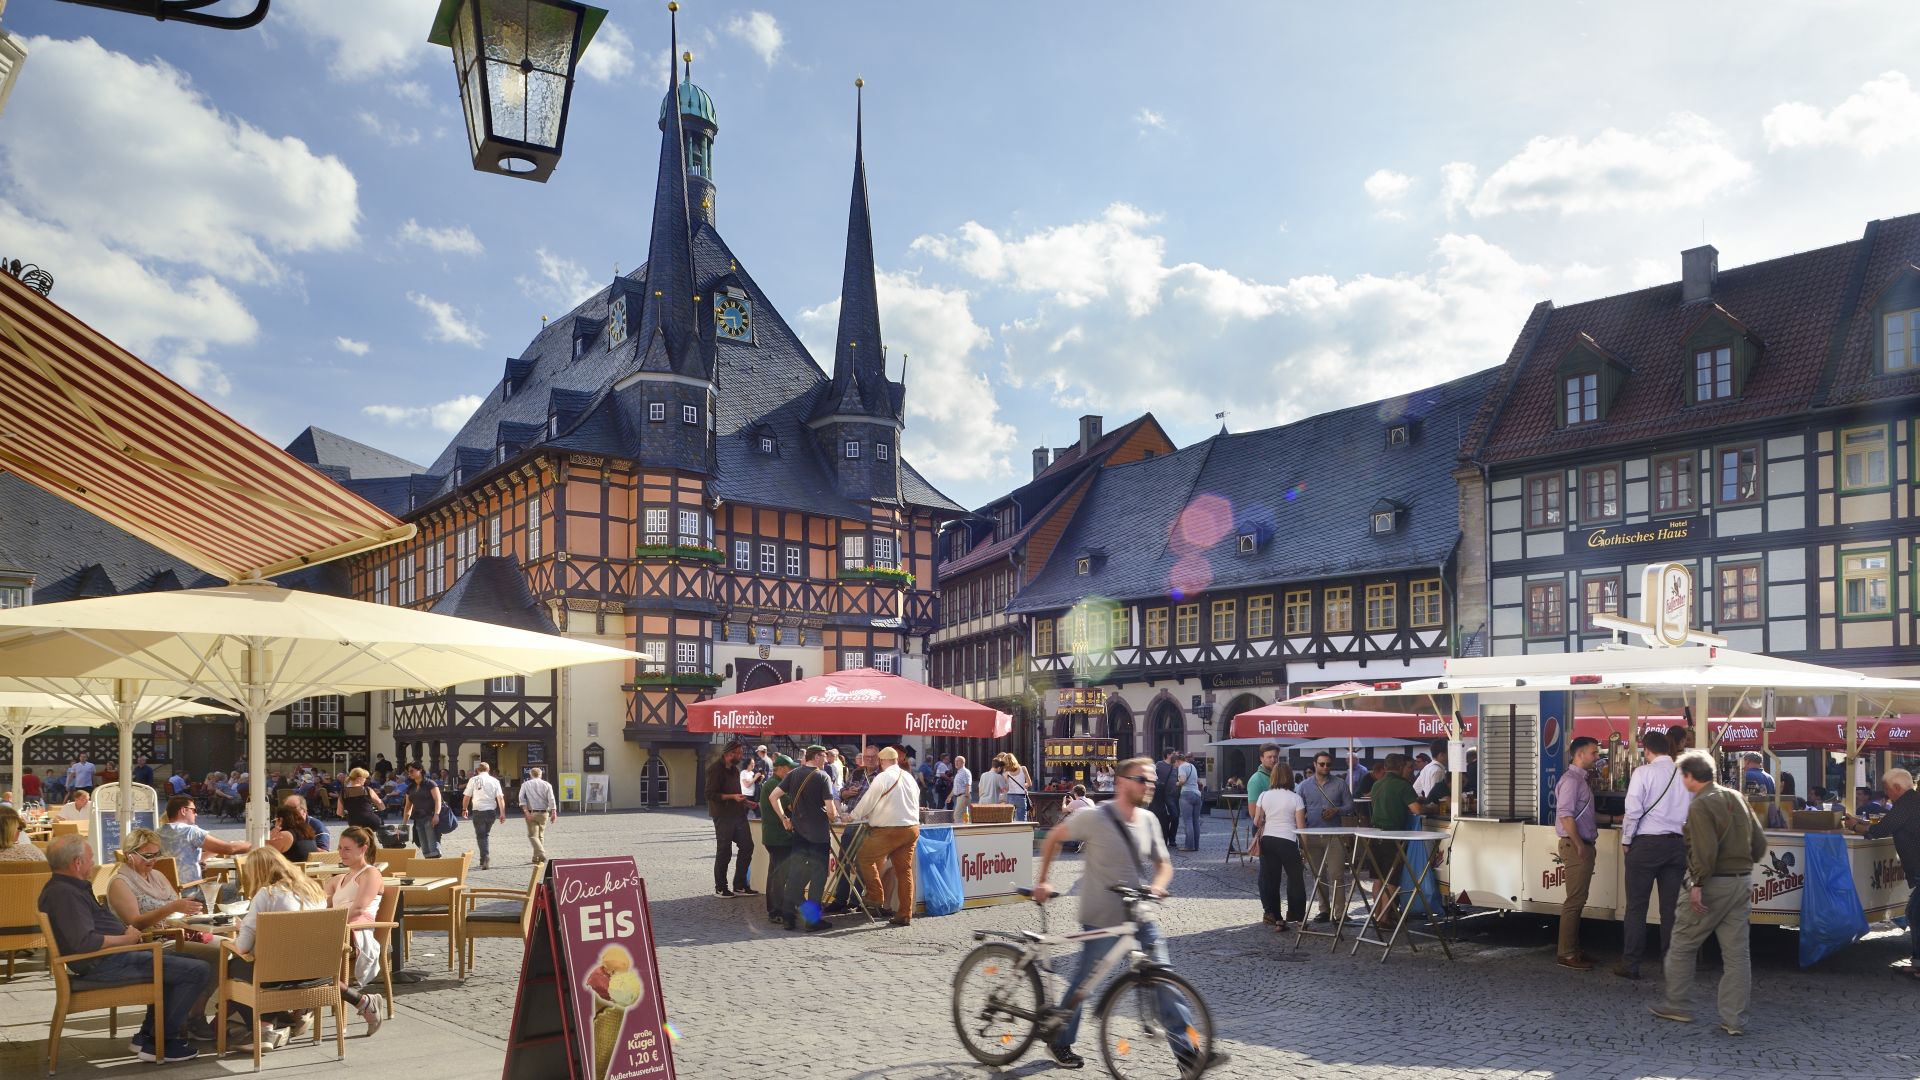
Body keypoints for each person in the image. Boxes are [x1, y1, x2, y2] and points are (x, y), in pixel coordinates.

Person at [1032, 756, 1219, 1075]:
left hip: (1138, 914)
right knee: (1084, 983)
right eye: (1143, 780)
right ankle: (1059, 1037)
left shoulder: (1148, 820)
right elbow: (1053, 838)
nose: (1150, 786)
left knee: (1162, 976)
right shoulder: (1095, 817)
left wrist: (1158, 887)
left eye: (1152, 782)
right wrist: (1044, 880)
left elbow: (1163, 864)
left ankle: (1188, 1053)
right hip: (1101, 913)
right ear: (1121, 782)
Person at [39, 834, 209, 1061]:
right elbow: (86, 942)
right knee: (197, 970)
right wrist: (127, 940)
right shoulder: (64, 893)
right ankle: (163, 1042)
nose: (93, 863)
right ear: (77, 863)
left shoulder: (66, 888)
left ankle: (147, 1037)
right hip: (105, 963)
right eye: (90, 859)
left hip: (109, 959)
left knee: (182, 962)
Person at [1652, 751, 1768, 1036]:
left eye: (1683, 776)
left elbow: (1704, 852)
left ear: (1690, 776)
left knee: (1682, 943)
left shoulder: (1701, 805)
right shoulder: (1737, 797)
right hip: (1740, 882)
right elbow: (1760, 844)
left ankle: (1677, 1003)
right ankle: (1734, 1020)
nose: (1682, 780)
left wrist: (1698, 885)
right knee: (1737, 955)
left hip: (1712, 884)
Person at [106, 828, 221, 1037]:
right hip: (149, 943)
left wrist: (188, 912)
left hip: (175, 934)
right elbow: (135, 923)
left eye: (156, 854)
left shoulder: (156, 875)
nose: (153, 860)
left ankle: (194, 1013)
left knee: (225, 948)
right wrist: (171, 908)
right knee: (218, 953)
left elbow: (175, 907)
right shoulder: (120, 883)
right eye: (147, 856)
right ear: (130, 854)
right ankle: (192, 1017)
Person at [227, 846, 329, 1051]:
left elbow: (243, 947)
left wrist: (238, 931)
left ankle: (264, 1027)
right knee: (259, 965)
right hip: (315, 970)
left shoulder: (267, 894)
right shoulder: (315, 890)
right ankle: (278, 1021)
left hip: (278, 973)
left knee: (230, 967)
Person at [1616, 731, 1691, 979]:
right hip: (1677, 845)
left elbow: (1633, 810)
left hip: (1646, 845)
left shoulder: (1643, 773)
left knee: (1637, 907)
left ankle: (1631, 964)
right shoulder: (1685, 774)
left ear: (1646, 750)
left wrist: (1627, 840)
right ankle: (1671, 968)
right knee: (1671, 910)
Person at [1844, 768, 1918, 980]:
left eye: (1887, 790)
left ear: (1897, 788)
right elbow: (1887, 825)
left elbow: (1878, 831)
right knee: (1914, 912)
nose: (1887, 794)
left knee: (1916, 913)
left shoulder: (1906, 804)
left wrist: (1855, 826)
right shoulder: (1911, 801)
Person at [322, 826, 387, 1034]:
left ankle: (298, 1012)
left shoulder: (371, 873)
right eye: (340, 848)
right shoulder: (340, 878)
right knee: (299, 949)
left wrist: (329, 922)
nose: (341, 853)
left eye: (347, 849)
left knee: (306, 952)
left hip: (357, 932)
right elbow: (319, 902)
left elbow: (359, 908)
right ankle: (362, 1002)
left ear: (363, 848)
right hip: (336, 929)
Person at [769, 745, 838, 932]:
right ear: (816, 757)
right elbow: (831, 812)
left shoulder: (794, 774)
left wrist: (784, 819)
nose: (826, 759)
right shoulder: (822, 776)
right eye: (824, 756)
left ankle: (788, 918)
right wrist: (834, 815)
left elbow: (773, 797)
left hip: (799, 834)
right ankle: (812, 921)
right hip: (818, 836)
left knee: (795, 875)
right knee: (817, 878)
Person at [849, 747, 921, 927]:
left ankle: (875, 895)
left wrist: (852, 816)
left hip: (890, 829)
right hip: (911, 828)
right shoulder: (909, 777)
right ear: (897, 760)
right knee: (903, 871)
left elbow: (868, 800)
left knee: (864, 858)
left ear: (882, 761)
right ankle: (905, 913)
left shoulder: (883, 777)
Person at [1555, 736, 1604, 970]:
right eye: (1593, 753)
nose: (1597, 757)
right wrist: (1579, 845)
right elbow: (1565, 815)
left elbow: (1581, 814)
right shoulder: (1572, 781)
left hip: (1578, 842)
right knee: (1574, 901)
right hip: (1576, 844)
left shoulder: (1579, 780)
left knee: (1578, 899)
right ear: (1579, 754)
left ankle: (1572, 949)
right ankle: (1566, 953)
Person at [1365, 753, 1425, 921]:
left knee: (1378, 878)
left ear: (1385, 767)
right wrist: (1431, 808)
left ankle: (1377, 915)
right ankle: (1384, 918)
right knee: (1392, 879)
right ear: (1399, 767)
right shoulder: (1402, 785)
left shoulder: (1377, 785)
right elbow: (1417, 810)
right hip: (1393, 836)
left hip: (1374, 835)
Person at [1299, 750, 1356, 922]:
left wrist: (1336, 810)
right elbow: (1299, 811)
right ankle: (1324, 910)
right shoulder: (1304, 786)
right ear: (1315, 764)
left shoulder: (1339, 784)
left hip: (1334, 835)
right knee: (1318, 875)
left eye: (1328, 764)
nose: (1325, 767)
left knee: (1337, 874)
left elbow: (1350, 806)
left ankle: (1339, 913)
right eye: (1322, 764)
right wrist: (1301, 839)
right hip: (1312, 834)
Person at [1252, 763, 1308, 930]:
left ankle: (1278, 920)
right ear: (1290, 777)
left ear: (1273, 777)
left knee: (1272, 881)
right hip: (1288, 840)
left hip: (1268, 840)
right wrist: (1304, 848)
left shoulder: (1263, 795)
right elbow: (1300, 827)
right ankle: (1299, 919)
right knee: (1296, 879)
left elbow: (1256, 821)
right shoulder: (1295, 798)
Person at [158, 795, 249, 884]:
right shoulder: (191, 831)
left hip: (164, 889)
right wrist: (253, 844)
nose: (196, 814)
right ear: (183, 810)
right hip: (189, 890)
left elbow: (182, 859)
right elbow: (229, 849)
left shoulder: (157, 833)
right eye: (194, 810)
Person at [705, 741, 756, 898]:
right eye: (739, 753)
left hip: (738, 814)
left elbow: (736, 793)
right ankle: (720, 887)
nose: (741, 756)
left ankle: (739, 885)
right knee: (724, 851)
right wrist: (732, 797)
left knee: (747, 847)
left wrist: (746, 801)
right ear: (729, 754)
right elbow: (710, 794)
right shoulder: (715, 769)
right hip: (722, 815)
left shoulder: (734, 770)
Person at [758, 755, 797, 927]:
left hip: (774, 836)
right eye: (790, 769)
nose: (792, 772)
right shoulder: (776, 785)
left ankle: (775, 909)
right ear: (781, 768)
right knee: (779, 876)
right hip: (779, 837)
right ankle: (776, 910)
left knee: (776, 874)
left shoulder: (772, 783)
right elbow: (792, 807)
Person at [461, 761, 505, 870]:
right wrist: (502, 813)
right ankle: (483, 858)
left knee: (481, 836)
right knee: (485, 834)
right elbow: (500, 798)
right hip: (491, 812)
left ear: (477, 770)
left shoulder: (473, 780)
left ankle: (484, 858)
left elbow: (467, 797)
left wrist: (464, 809)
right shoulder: (495, 781)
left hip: (478, 810)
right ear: (488, 770)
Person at [401, 762, 444, 858]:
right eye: (408, 772)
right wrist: (404, 824)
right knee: (425, 848)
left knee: (433, 846)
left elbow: (438, 800)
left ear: (420, 769)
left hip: (430, 817)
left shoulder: (430, 784)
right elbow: (408, 807)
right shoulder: (411, 787)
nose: (410, 773)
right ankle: (429, 869)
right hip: (418, 819)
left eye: (412, 771)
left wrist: (436, 814)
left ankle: (436, 869)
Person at [519, 766, 558, 863]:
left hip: (532, 812)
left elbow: (521, 798)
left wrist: (526, 811)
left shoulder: (525, 784)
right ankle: (536, 858)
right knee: (540, 835)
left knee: (532, 836)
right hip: (544, 812)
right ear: (540, 774)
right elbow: (551, 798)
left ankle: (541, 853)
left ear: (531, 774)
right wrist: (554, 812)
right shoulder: (547, 784)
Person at [335, 768, 387, 839]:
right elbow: (381, 805)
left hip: (354, 822)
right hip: (371, 821)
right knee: (379, 823)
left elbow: (339, 812)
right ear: (359, 778)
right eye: (365, 778)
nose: (366, 780)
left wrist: (347, 812)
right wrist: (377, 810)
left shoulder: (343, 792)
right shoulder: (367, 790)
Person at [1175, 752, 1204, 851]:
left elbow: (1182, 781)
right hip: (1197, 795)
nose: (1175, 765)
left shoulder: (1182, 767)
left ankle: (1189, 846)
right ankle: (1196, 846)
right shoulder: (1192, 766)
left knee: (1188, 821)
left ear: (1178, 761)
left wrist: (1177, 783)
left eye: (1175, 763)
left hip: (1187, 794)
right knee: (1195, 821)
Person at [1152, 750, 1179, 848]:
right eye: (1173, 754)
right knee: (1164, 817)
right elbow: (1153, 777)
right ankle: (1165, 837)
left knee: (1175, 817)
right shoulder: (1159, 764)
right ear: (1168, 755)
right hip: (1162, 794)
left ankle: (1172, 838)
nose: (1175, 755)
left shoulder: (1175, 766)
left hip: (1173, 796)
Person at [1001, 753, 1033, 821]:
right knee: (1022, 819)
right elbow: (1029, 783)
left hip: (1010, 797)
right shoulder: (1023, 768)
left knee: (1009, 819)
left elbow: (1006, 788)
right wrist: (1022, 785)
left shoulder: (1006, 773)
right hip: (1021, 796)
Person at [947, 754, 973, 822]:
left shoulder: (965, 772)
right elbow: (956, 787)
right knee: (965, 816)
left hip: (963, 796)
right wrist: (949, 796)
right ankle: (966, 829)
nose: (956, 763)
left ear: (963, 763)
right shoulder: (959, 773)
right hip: (959, 797)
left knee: (957, 815)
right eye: (955, 761)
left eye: (958, 761)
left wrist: (966, 797)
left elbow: (968, 785)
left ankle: (959, 830)